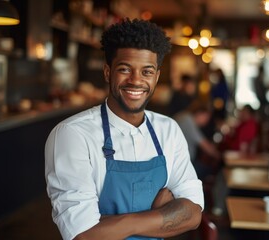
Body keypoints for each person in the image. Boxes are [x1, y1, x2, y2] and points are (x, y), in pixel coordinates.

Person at [45, 18, 204, 240]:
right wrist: (159, 214)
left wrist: (112, 224)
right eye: (125, 69)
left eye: (147, 72)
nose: (136, 81)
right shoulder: (73, 134)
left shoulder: (168, 130)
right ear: (108, 72)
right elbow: (83, 235)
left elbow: (193, 214)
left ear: (156, 77)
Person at [174, 100, 220, 180]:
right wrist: (219, 155)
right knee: (213, 171)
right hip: (181, 166)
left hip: (182, 163)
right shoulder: (186, 119)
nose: (206, 121)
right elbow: (203, 144)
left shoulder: (184, 116)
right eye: (207, 117)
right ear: (200, 113)